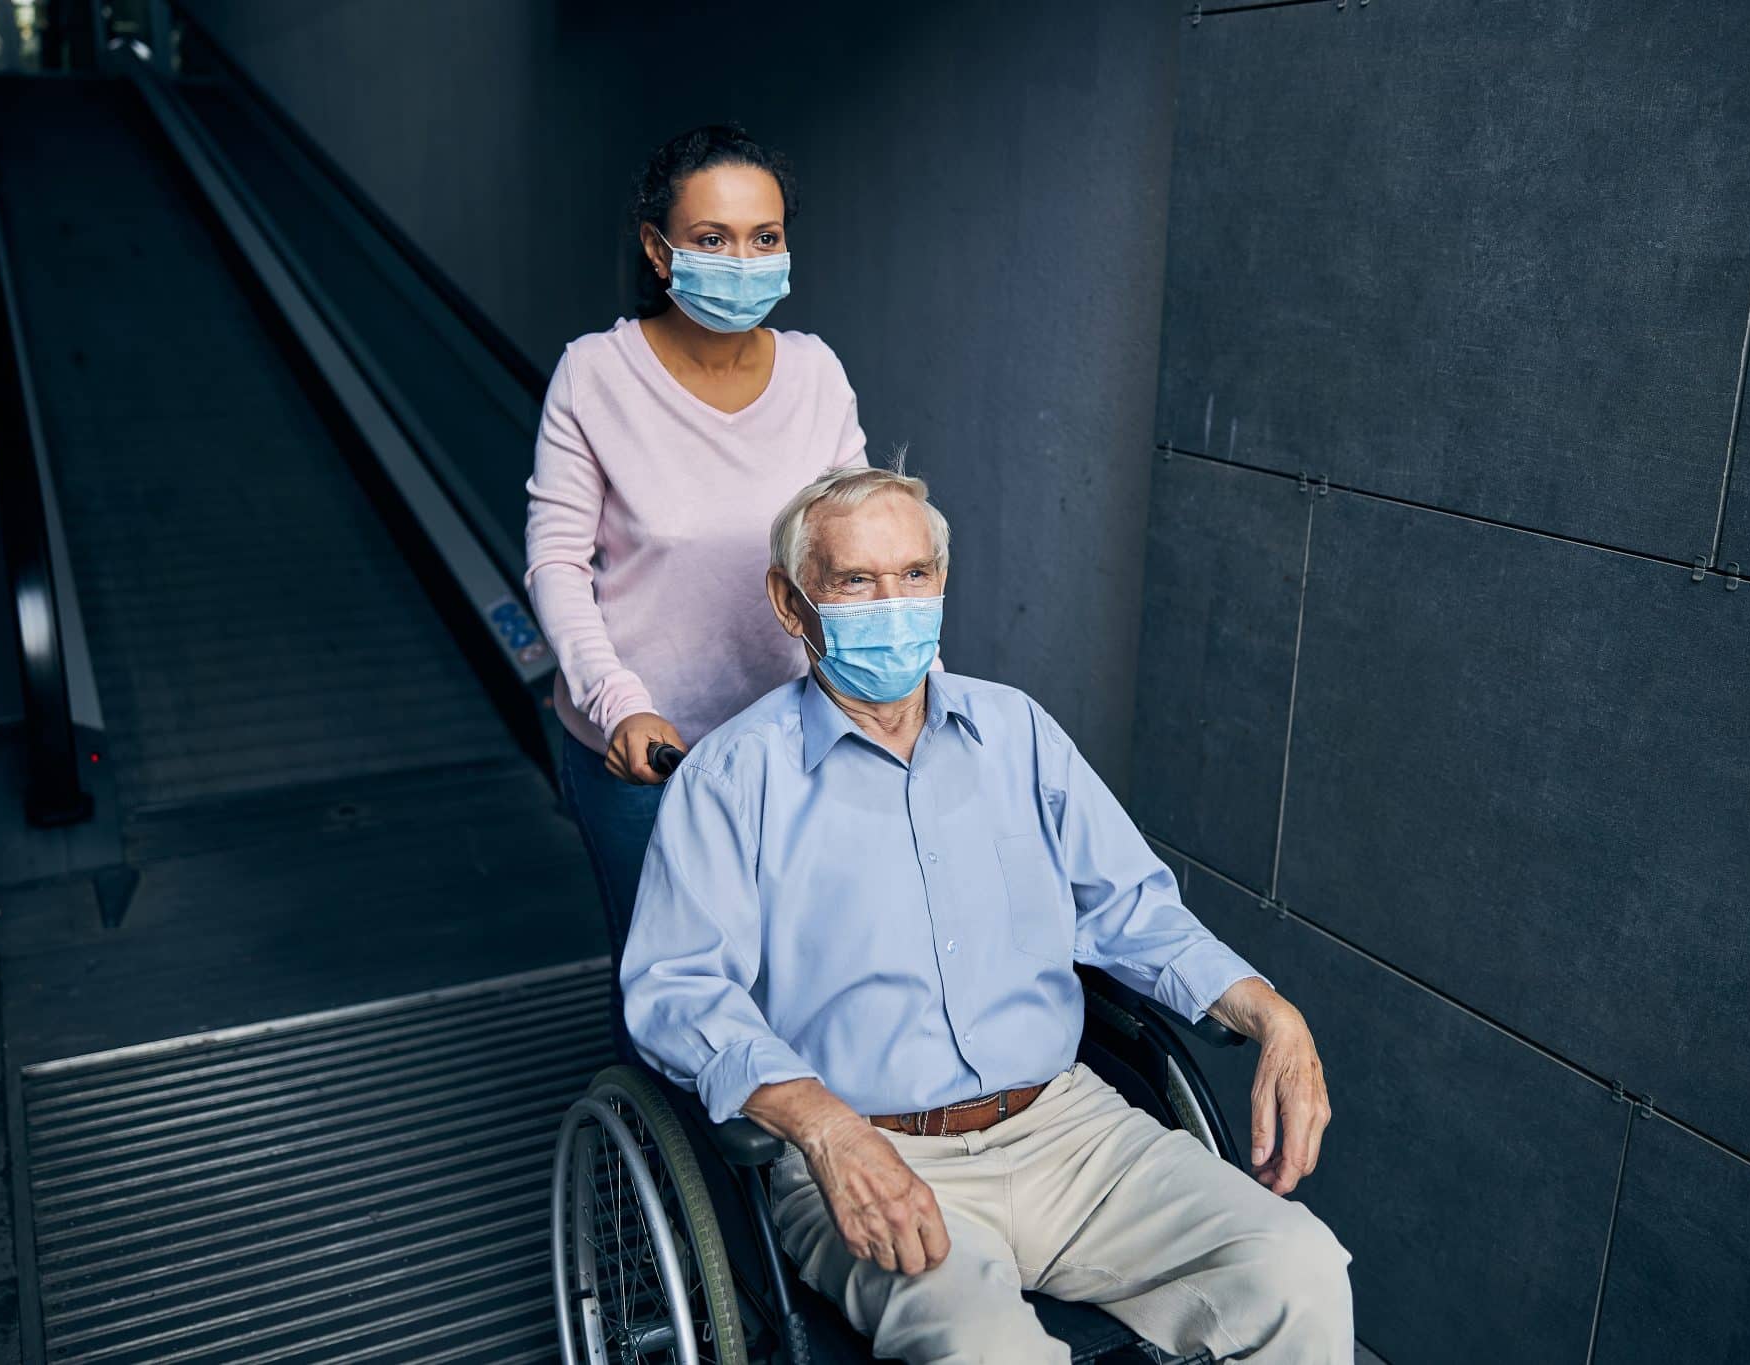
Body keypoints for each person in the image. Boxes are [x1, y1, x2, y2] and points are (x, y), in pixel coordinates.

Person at [621, 463, 1355, 1363]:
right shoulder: (733, 779)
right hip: (875, 1149)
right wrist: (824, 1126)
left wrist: (1269, 1011)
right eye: (855, 581)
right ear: (790, 601)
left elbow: (1130, 904)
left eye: (915, 575)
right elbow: (677, 987)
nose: (892, 602)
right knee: (988, 1353)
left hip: (1070, 1131)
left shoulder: (1019, 734)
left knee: (1298, 1269)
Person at [524, 124, 867, 978]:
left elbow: (858, 545)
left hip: (795, 744)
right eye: (713, 239)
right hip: (644, 756)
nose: (744, 261)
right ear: (658, 247)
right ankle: (653, 1119)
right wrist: (618, 703)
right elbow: (556, 562)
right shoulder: (594, 374)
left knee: (795, 978)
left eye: (766, 238)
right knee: (667, 989)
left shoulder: (816, 374)